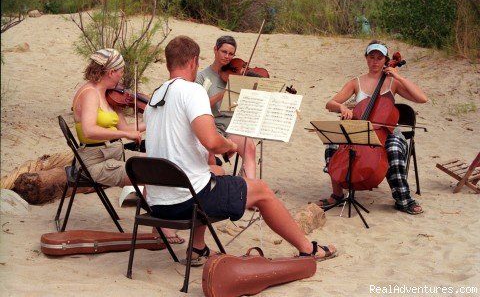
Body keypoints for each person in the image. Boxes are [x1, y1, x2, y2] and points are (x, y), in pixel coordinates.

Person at [144, 35, 337, 265]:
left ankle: (197, 248)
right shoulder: (192, 91)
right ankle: (308, 249)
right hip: (186, 201)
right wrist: (232, 145)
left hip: (158, 204)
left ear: (168, 62)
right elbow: (212, 142)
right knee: (262, 189)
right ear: (193, 61)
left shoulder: (156, 96)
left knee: (216, 172)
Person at [72, 48, 184, 244]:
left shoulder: (107, 95)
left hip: (110, 157)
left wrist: (154, 122)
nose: (122, 75)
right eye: (121, 70)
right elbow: (89, 130)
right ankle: (159, 230)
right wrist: (124, 134)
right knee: (151, 174)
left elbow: (126, 127)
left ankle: (158, 226)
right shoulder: (90, 93)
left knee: (156, 167)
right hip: (95, 163)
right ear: (110, 72)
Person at [316, 40, 428, 215]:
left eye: (379, 58)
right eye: (371, 57)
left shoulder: (393, 82)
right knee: (333, 143)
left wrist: (398, 76)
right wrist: (342, 107)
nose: (375, 62)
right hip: (360, 128)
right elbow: (330, 103)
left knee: (394, 148)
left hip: (387, 131)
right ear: (366, 58)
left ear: (386, 60)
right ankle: (337, 194)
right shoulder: (356, 82)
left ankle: (403, 199)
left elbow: (422, 98)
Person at [195, 36, 257, 178]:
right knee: (208, 153)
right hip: (212, 125)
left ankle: (248, 188)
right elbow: (198, 106)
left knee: (250, 148)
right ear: (215, 50)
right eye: (224, 52)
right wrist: (223, 93)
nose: (227, 57)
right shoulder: (202, 77)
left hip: (232, 124)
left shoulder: (237, 75)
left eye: (231, 54)